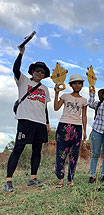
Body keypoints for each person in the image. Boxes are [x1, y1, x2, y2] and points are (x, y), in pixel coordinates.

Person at [4, 46, 51, 192]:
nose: (40, 73)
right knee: (18, 148)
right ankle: (8, 181)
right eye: (37, 70)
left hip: (40, 122)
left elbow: (44, 107)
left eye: (42, 72)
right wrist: (21, 53)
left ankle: (33, 178)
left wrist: (48, 123)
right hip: (25, 120)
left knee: (37, 151)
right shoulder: (23, 80)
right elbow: (15, 69)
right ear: (32, 71)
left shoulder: (45, 89)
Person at [54, 74, 87, 188]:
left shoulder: (84, 100)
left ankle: (70, 179)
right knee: (61, 152)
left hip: (77, 127)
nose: (77, 85)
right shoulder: (65, 96)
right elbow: (56, 107)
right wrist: (56, 93)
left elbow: (84, 116)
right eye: (75, 83)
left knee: (74, 154)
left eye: (79, 83)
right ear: (71, 85)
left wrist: (84, 131)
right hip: (64, 125)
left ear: (82, 85)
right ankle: (60, 179)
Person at [88, 87, 104, 184]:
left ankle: (103, 175)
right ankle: (92, 175)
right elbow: (90, 103)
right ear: (102, 95)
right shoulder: (98, 104)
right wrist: (92, 93)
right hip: (97, 130)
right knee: (95, 153)